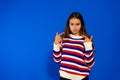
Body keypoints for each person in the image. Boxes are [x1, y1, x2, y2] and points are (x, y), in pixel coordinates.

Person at [53, 12, 95, 80]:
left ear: (82, 25)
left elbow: (90, 63)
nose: (74, 27)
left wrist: (88, 46)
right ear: (68, 25)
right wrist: (56, 43)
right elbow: (57, 59)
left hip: (81, 78)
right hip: (64, 77)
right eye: (72, 24)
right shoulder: (64, 39)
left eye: (77, 24)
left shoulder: (86, 40)